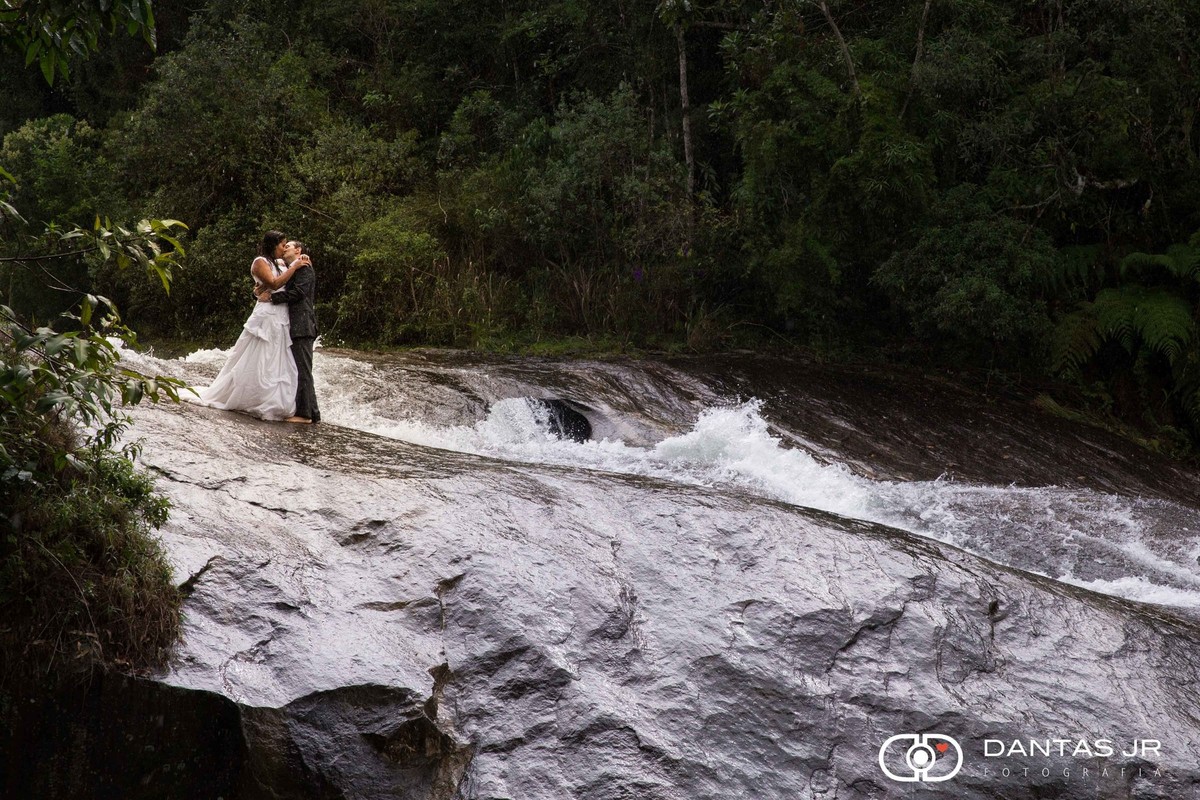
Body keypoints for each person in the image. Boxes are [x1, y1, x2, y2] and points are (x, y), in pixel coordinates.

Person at [193, 231, 309, 420]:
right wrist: (294, 266)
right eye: (282, 245)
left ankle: (274, 399)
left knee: (277, 357)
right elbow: (273, 283)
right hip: (266, 314)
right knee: (258, 355)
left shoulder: (280, 263)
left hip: (281, 314)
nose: (284, 248)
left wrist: (299, 258)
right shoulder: (259, 262)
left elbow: (280, 282)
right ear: (273, 244)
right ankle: (250, 396)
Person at [257, 239, 320, 423]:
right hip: (295, 324)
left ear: (298, 250)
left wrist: (272, 298)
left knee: (303, 370)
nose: (284, 248)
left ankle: (305, 415)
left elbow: (299, 293)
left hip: (303, 325)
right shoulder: (293, 267)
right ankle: (312, 412)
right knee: (299, 368)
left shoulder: (305, 268)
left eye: (288, 246)